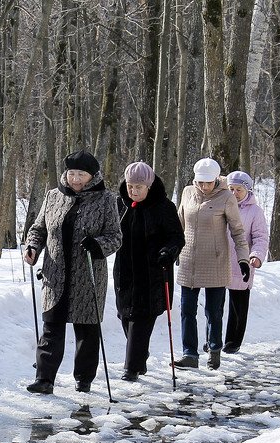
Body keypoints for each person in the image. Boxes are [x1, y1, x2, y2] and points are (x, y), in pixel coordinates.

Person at [22, 150, 121, 394]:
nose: (76, 179)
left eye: (82, 174)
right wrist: (33, 246)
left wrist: (98, 245)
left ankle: (83, 379)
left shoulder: (106, 200)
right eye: (72, 173)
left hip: (87, 274)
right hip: (55, 273)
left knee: (86, 330)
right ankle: (44, 378)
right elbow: (39, 228)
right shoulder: (53, 196)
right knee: (51, 326)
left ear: (93, 176)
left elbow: (115, 237)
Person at [174, 157, 250, 370]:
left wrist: (243, 259)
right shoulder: (188, 192)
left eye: (208, 182)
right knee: (187, 309)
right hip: (189, 260)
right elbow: (179, 224)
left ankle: (214, 350)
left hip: (216, 260)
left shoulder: (226, 197)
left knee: (213, 310)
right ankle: (189, 354)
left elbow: (237, 231)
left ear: (216, 179)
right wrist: (170, 249)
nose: (204, 186)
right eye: (201, 182)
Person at [112, 161, 185, 381]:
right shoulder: (120, 206)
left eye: (138, 187)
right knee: (126, 316)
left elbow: (177, 237)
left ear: (149, 186)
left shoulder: (164, 207)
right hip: (125, 273)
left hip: (152, 273)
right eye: (130, 186)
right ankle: (139, 355)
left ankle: (131, 368)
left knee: (141, 319)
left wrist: (168, 252)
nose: (133, 191)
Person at [221, 170, 269, 353]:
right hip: (220, 261)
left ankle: (233, 341)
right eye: (231, 189)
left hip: (242, 262)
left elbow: (260, 237)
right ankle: (214, 340)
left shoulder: (255, 212)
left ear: (247, 191)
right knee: (216, 305)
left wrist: (256, 255)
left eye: (238, 189)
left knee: (238, 304)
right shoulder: (221, 206)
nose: (234, 193)